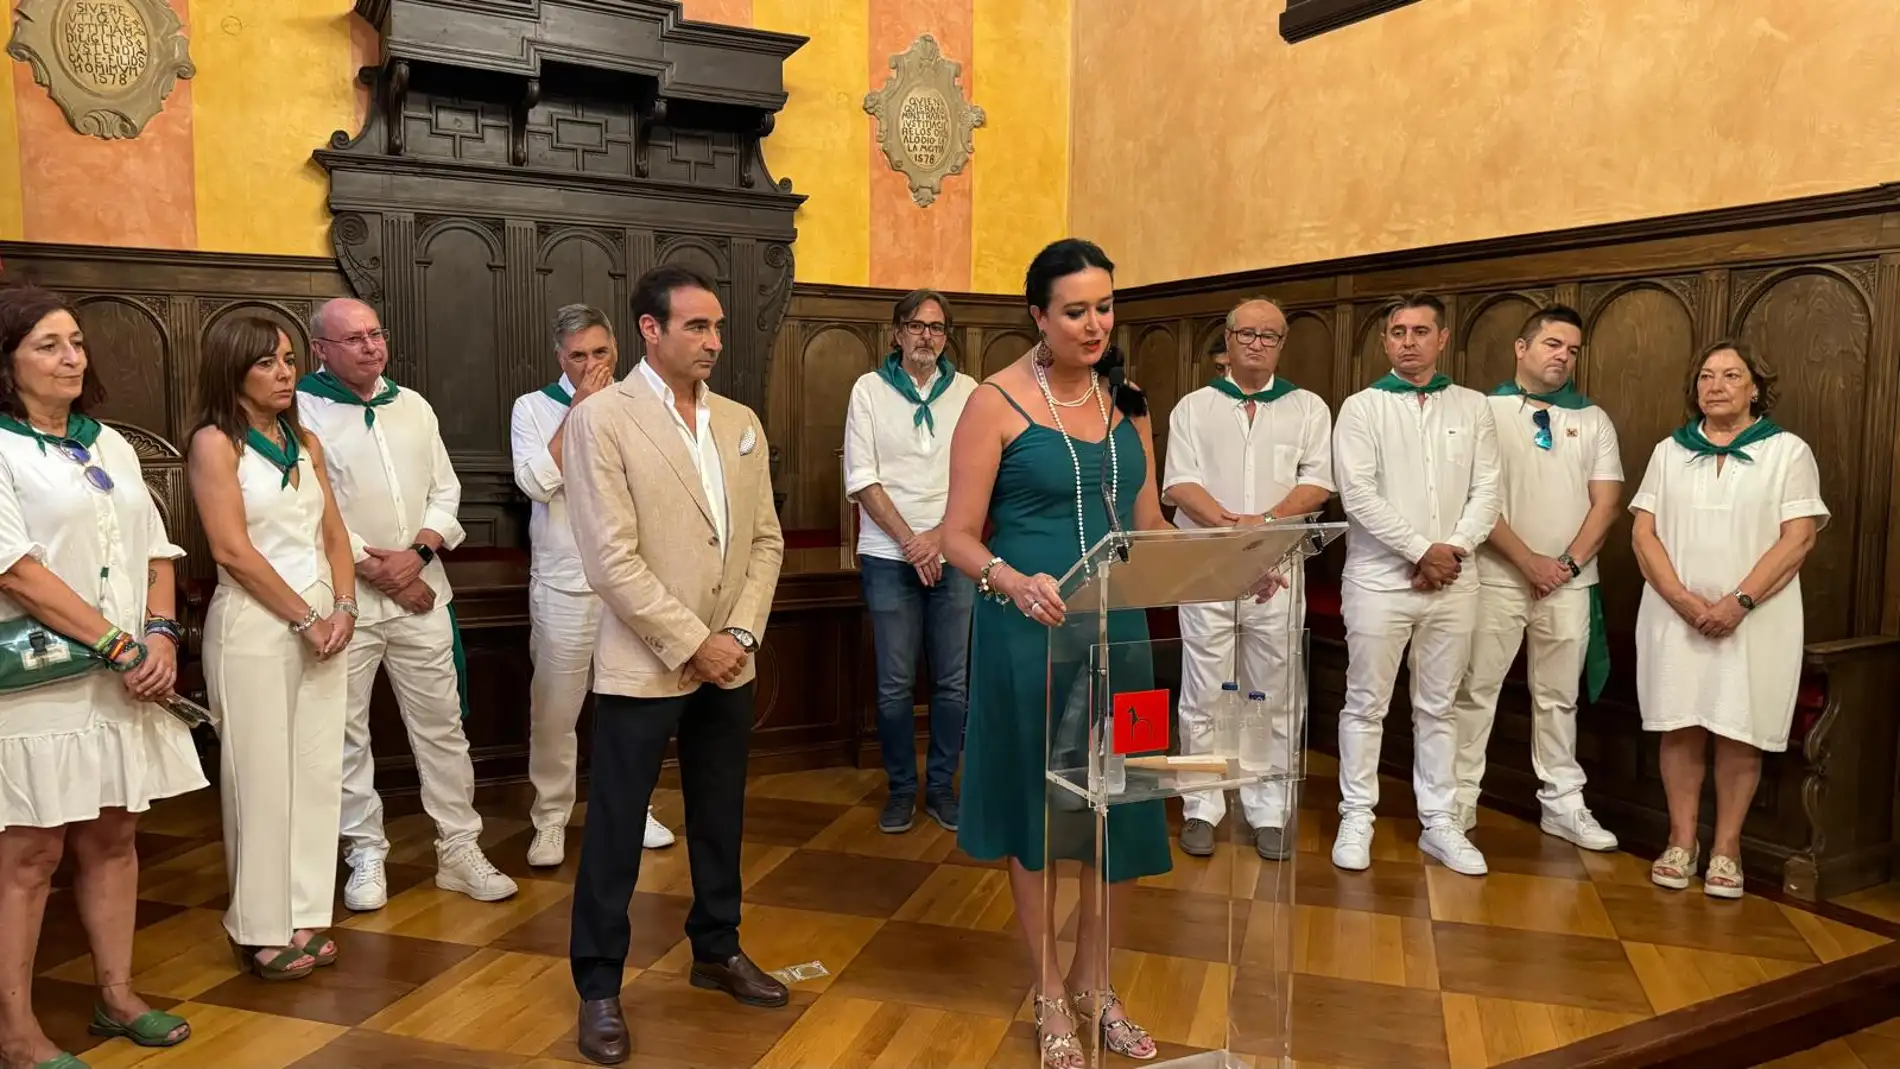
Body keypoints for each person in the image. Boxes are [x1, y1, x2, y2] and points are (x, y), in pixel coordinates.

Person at [942, 239, 1179, 1068]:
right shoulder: (994, 402)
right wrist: (1010, 577)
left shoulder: (1129, 402)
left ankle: (1096, 981)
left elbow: (1147, 523)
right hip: (1028, 632)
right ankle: (1048, 990)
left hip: (1120, 633)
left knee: (1113, 813)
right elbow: (957, 538)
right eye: (1075, 310)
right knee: (1040, 814)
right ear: (1037, 315)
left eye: (1105, 306)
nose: (1094, 323)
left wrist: (1235, 559)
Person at [562, 265, 786, 1066]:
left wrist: (741, 637)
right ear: (649, 330)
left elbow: (765, 539)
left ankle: (716, 949)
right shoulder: (603, 420)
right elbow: (610, 560)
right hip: (647, 660)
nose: (714, 341)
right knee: (618, 826)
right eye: (697, 326)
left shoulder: (739, 420)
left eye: (718, 327)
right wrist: (694, 640)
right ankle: (598, 986)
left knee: (720, 812)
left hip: (731, 658)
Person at [0, 287, 205, 1068]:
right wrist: (119, 643)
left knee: (115, 836)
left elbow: (157, 548)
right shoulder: (2, 445)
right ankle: (16, 1030)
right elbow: (17, 571)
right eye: (49, 344)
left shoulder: (110, 443)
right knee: (29, 854)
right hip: (38, 678)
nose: (72, 356)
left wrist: (159, 634)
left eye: (77, 341)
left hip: (125, 675)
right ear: (8, 361)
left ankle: (116, 994)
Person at [297, 298, 516, 909]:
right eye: (353, 339)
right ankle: (365, 851)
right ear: (321, 349)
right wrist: (376, 568)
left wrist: (417, 556)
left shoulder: (412, 405)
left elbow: (445, 489)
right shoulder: (301, 410)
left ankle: (458, 847)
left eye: (376, 335)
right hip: (345, 599)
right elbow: (309, 508)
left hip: (423, 591)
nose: (371, 348)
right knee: (346, 731)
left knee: (443, 727)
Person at [190, 315, 357, 982]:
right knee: (259, 777)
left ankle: (306, 910)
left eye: (289, 359)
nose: (285, 372)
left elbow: (336, 535)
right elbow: (231, 549)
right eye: (267, 363)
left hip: (324, 617)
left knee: (316, 770)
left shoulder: (306, 441)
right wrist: (303, 619)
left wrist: (343, 607)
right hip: (257, 627)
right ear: (233, 372)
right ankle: (258, 923)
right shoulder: (215, 443)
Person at [1632, 341, 1824, 898]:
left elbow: (1799, 538)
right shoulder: (1669, 451)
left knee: (1738, 728)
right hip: (1676, 615)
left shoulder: (1788, 452)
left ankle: (1727, 848)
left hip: (1757, 618)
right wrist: (1685, 601)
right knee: (1681, 722)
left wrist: (1736, 602)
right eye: (1706, 376)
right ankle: (1681, 840)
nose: (1716, 385)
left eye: (1730, 375)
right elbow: (1643, 534)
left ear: (1755, 387)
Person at [1331, 292, 1500, 877]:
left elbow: (1488, 491)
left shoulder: (1474, 406)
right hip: (1381, 580)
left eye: (1420, 331)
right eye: (1398, 331)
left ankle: (1440, 820)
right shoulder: (1361, 408)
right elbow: (1357, 494)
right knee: (1365, 704)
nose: (1409, 340)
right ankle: (1357, 816)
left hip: (1454, 580)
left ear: (1442, 338)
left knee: (1439, 707)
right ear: (1385, 342)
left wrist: (1449, 552)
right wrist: (1419, 550)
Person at [1164, 297, 1333, 861]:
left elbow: (1317, 486)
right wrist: (1237, 538)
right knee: (1204, 688)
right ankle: (1201, 805)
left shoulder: (1307, 408)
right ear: (1228, 340)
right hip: (1207, 566)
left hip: (1278, 571)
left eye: (1270, 336)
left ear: (1282, 344)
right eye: (1247, 334)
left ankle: (1268, 808)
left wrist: (1262, 531)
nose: (1258, 344)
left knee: (1274, 691)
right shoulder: (1194, 407)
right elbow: (1180, 485)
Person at [1450, 305, 1622, 850]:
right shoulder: (1483, 411)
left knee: (1558, 695)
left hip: (1569, 581)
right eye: (1551, 344)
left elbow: (1607, 502)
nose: (1562, 357)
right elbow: (1475, 497)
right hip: (1498, 574)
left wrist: (1564, 565)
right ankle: (1456, 800)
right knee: (1476, 688)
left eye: (1571, 349)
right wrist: (1526, 561)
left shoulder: (1593, 418)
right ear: (1521, 349)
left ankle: (1562, 802)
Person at [510, 304, 673, 867]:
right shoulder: (533, 408)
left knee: (633, 704)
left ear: (617, 351)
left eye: (600, 353)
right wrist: (579, 410)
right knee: (556, 709)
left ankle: (634, 808)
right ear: (561, 357)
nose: (589, 364)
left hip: (631, 582)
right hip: (564, 584)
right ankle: (551, 818)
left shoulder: (640, 405)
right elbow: (535, 481)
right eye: (577, 355)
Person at [841, 288, 978, 834]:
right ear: (896, 332)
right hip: (888, 555)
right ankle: (901, 788)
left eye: (937, 328)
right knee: (894, 684)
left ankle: (942, 787)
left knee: (952, 683)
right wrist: (911, 542)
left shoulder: (968, 391)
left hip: (955, 552)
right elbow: (862, 478)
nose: (927, 336)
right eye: (917, 326)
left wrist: (941, 538)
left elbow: (978, 478)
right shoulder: (869, 391)